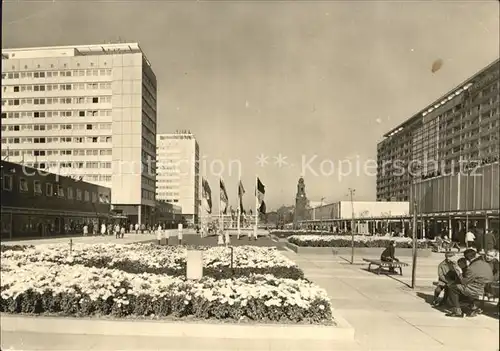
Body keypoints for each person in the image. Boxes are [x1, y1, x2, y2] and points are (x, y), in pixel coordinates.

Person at [446, 249, 494, 317]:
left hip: (478, 289)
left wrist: (459, 272)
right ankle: (471, 308)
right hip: (487, 288)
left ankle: (457, 311)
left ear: (467, 258)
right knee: (462, 288)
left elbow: (464, 282)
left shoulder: (472, 268)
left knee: (452, 287)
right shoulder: (485, 263)